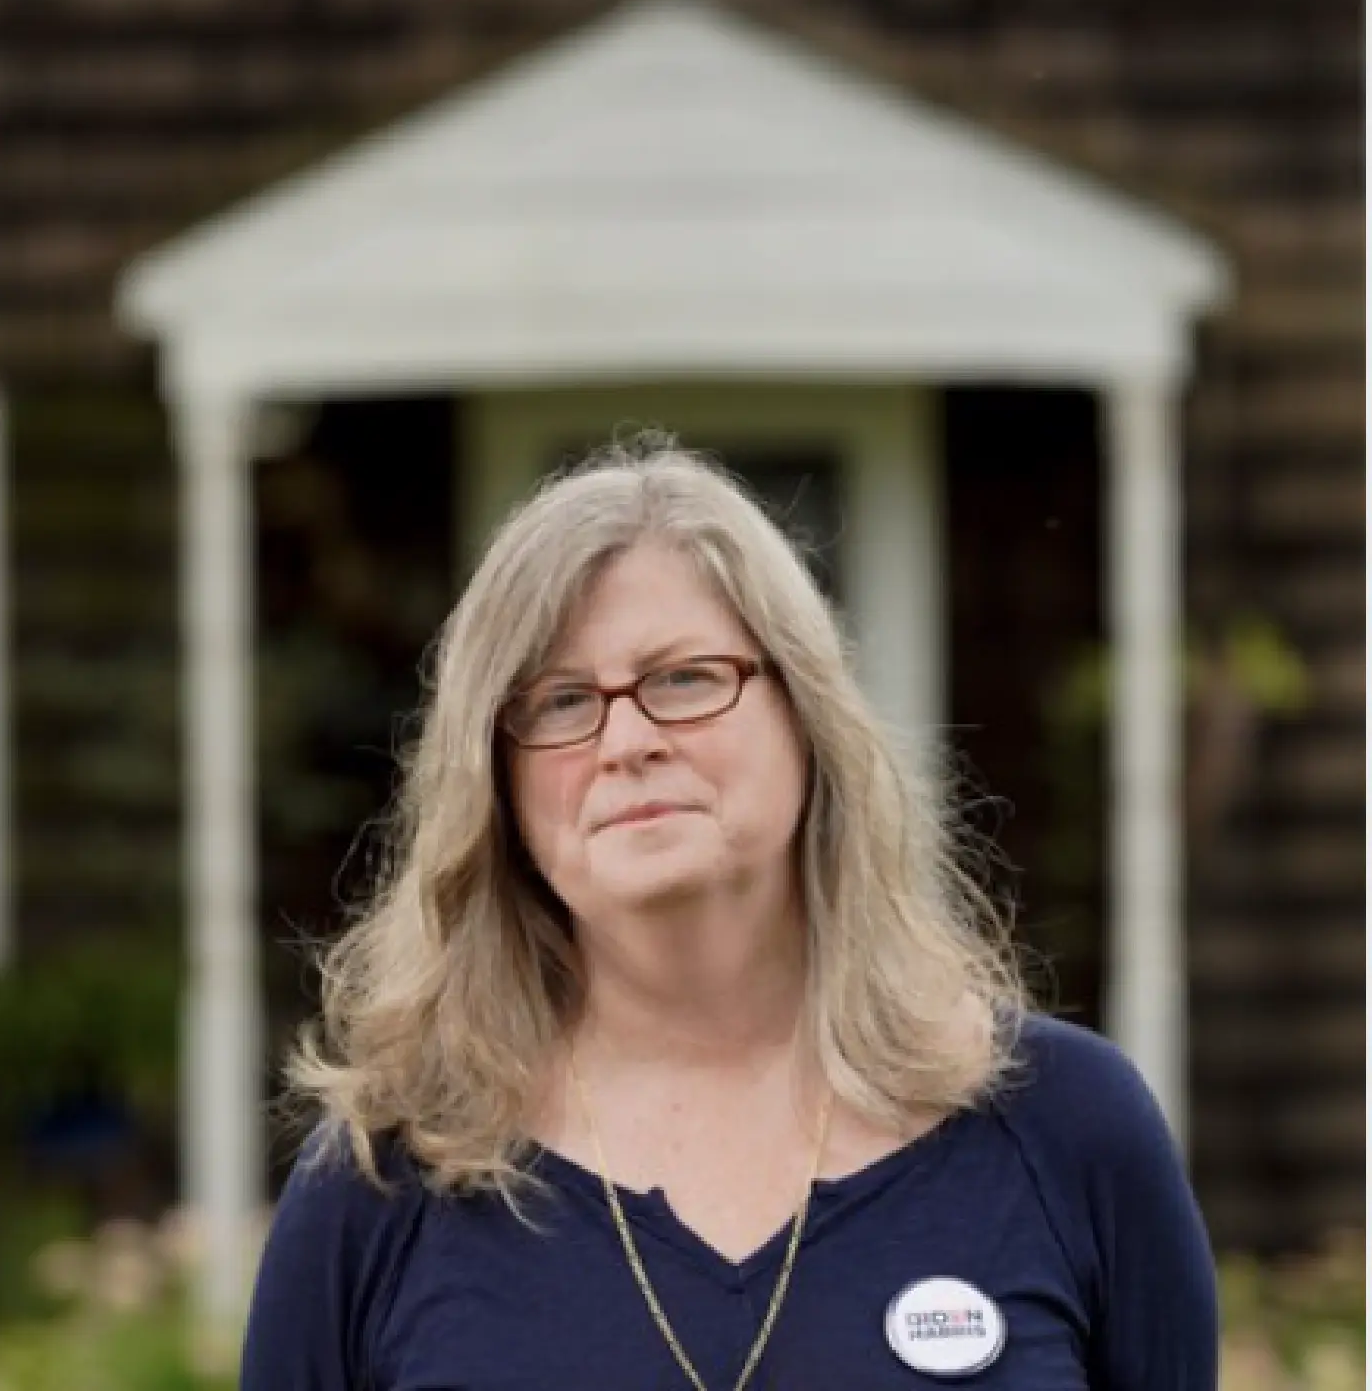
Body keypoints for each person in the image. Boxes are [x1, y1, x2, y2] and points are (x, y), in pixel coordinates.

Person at [239, 439, 1217, 1390]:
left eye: (682, 679)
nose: (624, 738)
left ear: (805, 713)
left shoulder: (1064, 1130)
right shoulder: (382, 1182)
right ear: (496, 782)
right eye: (558, 701)